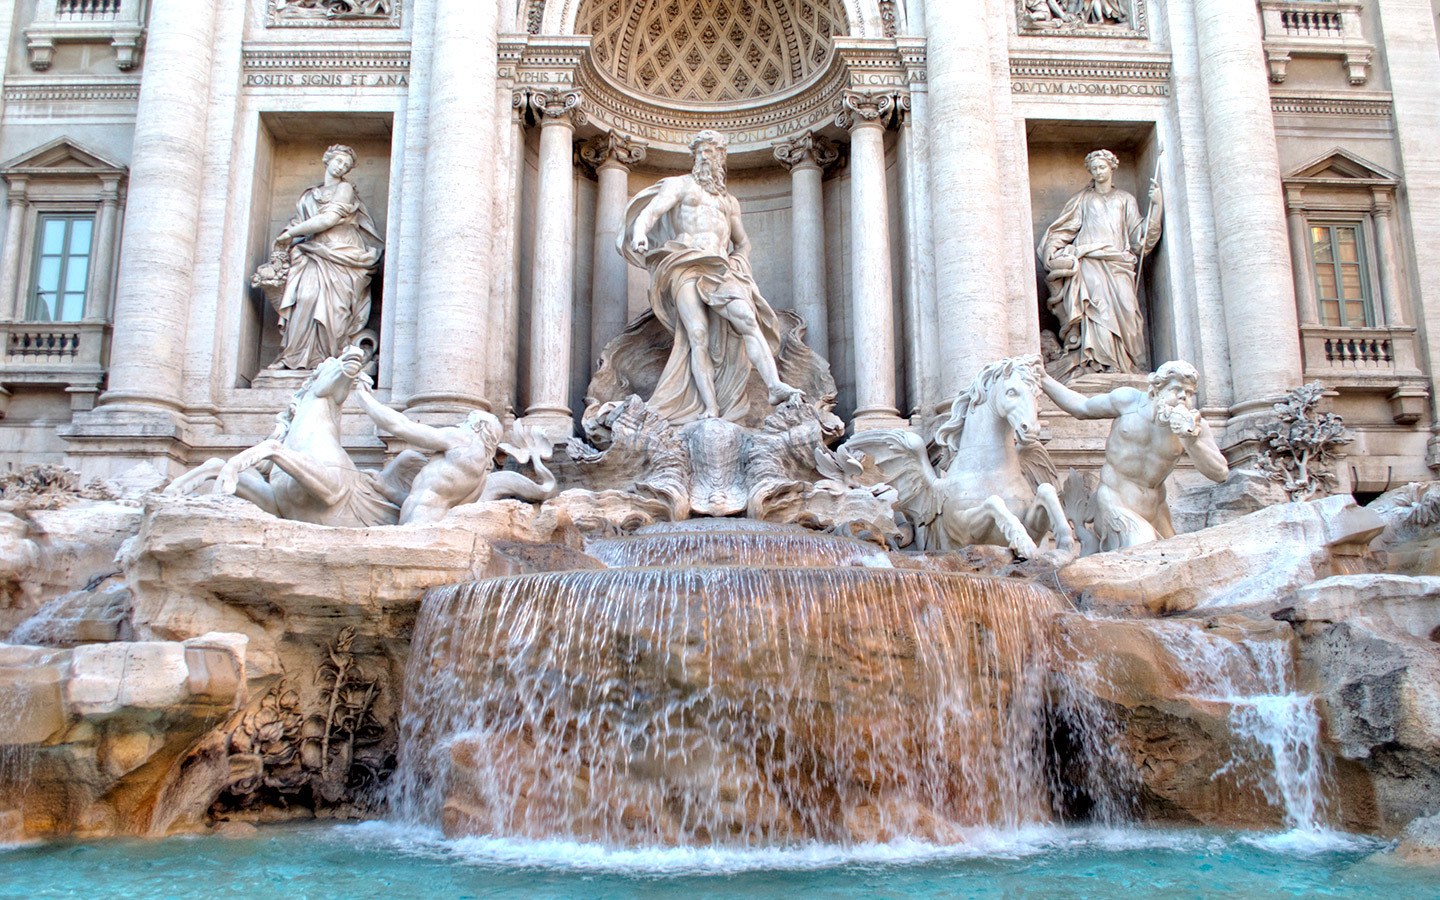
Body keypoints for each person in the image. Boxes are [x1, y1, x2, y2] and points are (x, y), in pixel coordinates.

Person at [620, 130, 803, 424]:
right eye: (702, 152)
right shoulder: (680, 186)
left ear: (722, 159)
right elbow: (651, 213)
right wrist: (640, 233)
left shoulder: (729, 202)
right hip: (684, 264)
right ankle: (710, 408)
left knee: (747, 319)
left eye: (713, 152)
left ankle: (774, 386)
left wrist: (739, 263)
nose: (706, 157)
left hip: (719, 268)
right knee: (698, 335)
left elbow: (742, 242)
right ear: (695, 157)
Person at [1041, 360, 1229, 550]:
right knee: (1144, 549)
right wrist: (1043, 378)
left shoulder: (1195, 427)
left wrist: (1190, 440)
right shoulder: (1128, 402)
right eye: (1176, 390)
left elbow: (1220, 472)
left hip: (1156, 510)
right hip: (1114, 501)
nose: (1183, 397)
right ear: (1156, 390)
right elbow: (1082, 407)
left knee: (1172, 559)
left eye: (1189, 393)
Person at [1039, 149, 1161, 377]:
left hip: (1118, 264)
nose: (1098, 172)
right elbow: (1063, 230)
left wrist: (1157, 207)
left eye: (1102, 167)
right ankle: (1098, 364)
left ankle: (1126, 365)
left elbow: (1140, 240)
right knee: (1097, 310)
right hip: (1090, 263)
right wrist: (1052, 251)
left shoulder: (1125, 199)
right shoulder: (1082, 200)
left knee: (1127, 310)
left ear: (1112, 168)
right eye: (1094, 169)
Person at [265, 144, 383, 370]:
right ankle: (294, 356)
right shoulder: (309, 195)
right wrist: (286, 237)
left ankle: (329, 359)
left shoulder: (345, 189)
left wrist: (290, 234)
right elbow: (298, 223)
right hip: (313, 252)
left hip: (342, 254)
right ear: (327, 159)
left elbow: (328, 220)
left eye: (346, 165)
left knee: (335, 309)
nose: (341, 167)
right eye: (339, 161)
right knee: (306, 298)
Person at [352, 382, 505, 526]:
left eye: (466, 421)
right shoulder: (480, 476)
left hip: (418, 526)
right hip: (422, 526)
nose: (460, 425)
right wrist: (384, 489)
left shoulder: (464, 439)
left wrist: (363, 396)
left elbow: (400, 426)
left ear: (477, 426)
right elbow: (426, 500)